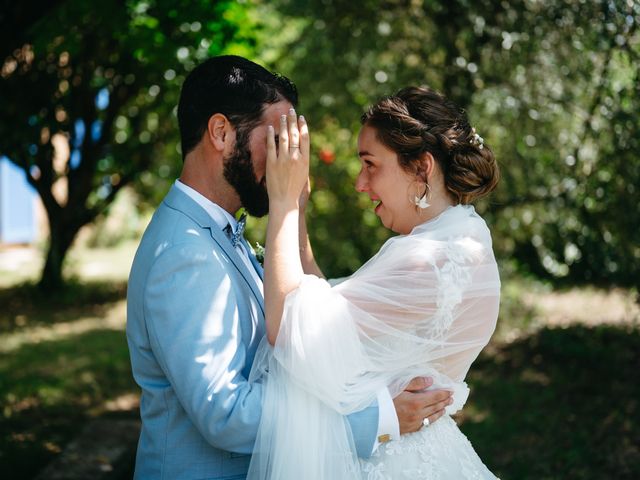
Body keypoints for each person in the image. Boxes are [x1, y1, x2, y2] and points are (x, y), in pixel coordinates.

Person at [126, 57, 452, 479]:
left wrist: (292, 211)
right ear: (221, 133)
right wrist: (376, 418)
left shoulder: (218, 231)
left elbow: (306, 328)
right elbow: (225, 413)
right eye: (278, 140)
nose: (290, 158)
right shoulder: (183, 253)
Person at [248, 86, 501, 479]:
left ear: (421, 167)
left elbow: (290, 331)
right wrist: (297, 209)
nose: (360, 184)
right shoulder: (465, 237)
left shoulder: (426, 261)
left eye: (371, 164)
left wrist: (279, 205)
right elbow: (328, 310)